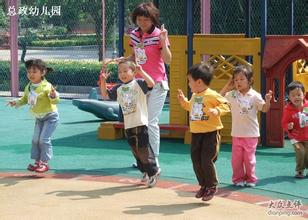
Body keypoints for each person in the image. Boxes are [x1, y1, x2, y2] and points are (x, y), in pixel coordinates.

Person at [99, 60, 161, 187]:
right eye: (120, 71)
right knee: (135, 151)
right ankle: (145, 171)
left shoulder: (138, 84)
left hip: (140, 122)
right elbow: (105, 95)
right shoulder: (119, 88)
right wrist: (103, 80)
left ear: (133, 72)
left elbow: (151, 83)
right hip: (129, 125)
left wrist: (142, 72)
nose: (122, 74)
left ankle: (153, 171)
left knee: (143, 150)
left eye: (125, 71)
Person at [127, 2, 172, 169]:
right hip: (139, 84)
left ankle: (154, 160)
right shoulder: (133, 35)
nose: (143, 23)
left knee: (151, 122)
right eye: (139, 19)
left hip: (158, 83)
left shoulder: (160, 34)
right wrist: (124, 61)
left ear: (153, 19)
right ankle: (143, 158)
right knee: (139, 122)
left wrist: (163, 41)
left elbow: (168, 59)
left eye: (146, 19)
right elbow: (135, 55)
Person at [177, 63, 230, 201]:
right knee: (196, 160)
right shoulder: (195, 95)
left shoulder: (212, 95)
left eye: (190, 81)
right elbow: (191, 107)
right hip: (196, 133)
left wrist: (216, 110)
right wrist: (184, 102)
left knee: (206, 159)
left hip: (211, 133)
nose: (188, 84)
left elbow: (225, 105)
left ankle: (212, 186)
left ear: (199, 81)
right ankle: (203, 185)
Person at [220, 65, 272, 187]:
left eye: (242, 79)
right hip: (236, 133)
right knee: (236, 160)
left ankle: (251, 179)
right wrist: (227, 86)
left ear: (250, 81)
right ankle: (238, 179)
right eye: (236, 79)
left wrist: (268, 100)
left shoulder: (255, 95)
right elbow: (218, 98)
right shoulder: (232, 94)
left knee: (249, 159)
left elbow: (264, 109)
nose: (238, 82)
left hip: (251, 134)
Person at [7, 59, 60, 173]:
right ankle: (37, 163)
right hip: (39, 118)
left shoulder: (47, 86)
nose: (31, 74)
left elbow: (55, 101)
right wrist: (16, 102)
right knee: (35, 140)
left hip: (51, 117)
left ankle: (45, 163)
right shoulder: (29, 86)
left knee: (43, 140)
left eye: (34, 71)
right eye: (29, 71)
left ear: (43, 73)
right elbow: (25, 99)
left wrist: (53, 95)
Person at [281, 81, 308, 179]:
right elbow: (283, 123)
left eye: (298, 94)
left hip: (306, 136)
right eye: (293, 95)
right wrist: (288, 126)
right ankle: (300, 171)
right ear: (289, 96)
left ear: (303, 95)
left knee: (307, 154)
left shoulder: (306, 106)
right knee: (300, 151)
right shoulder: (288, 109)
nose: (296, 97)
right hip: (294, 137)